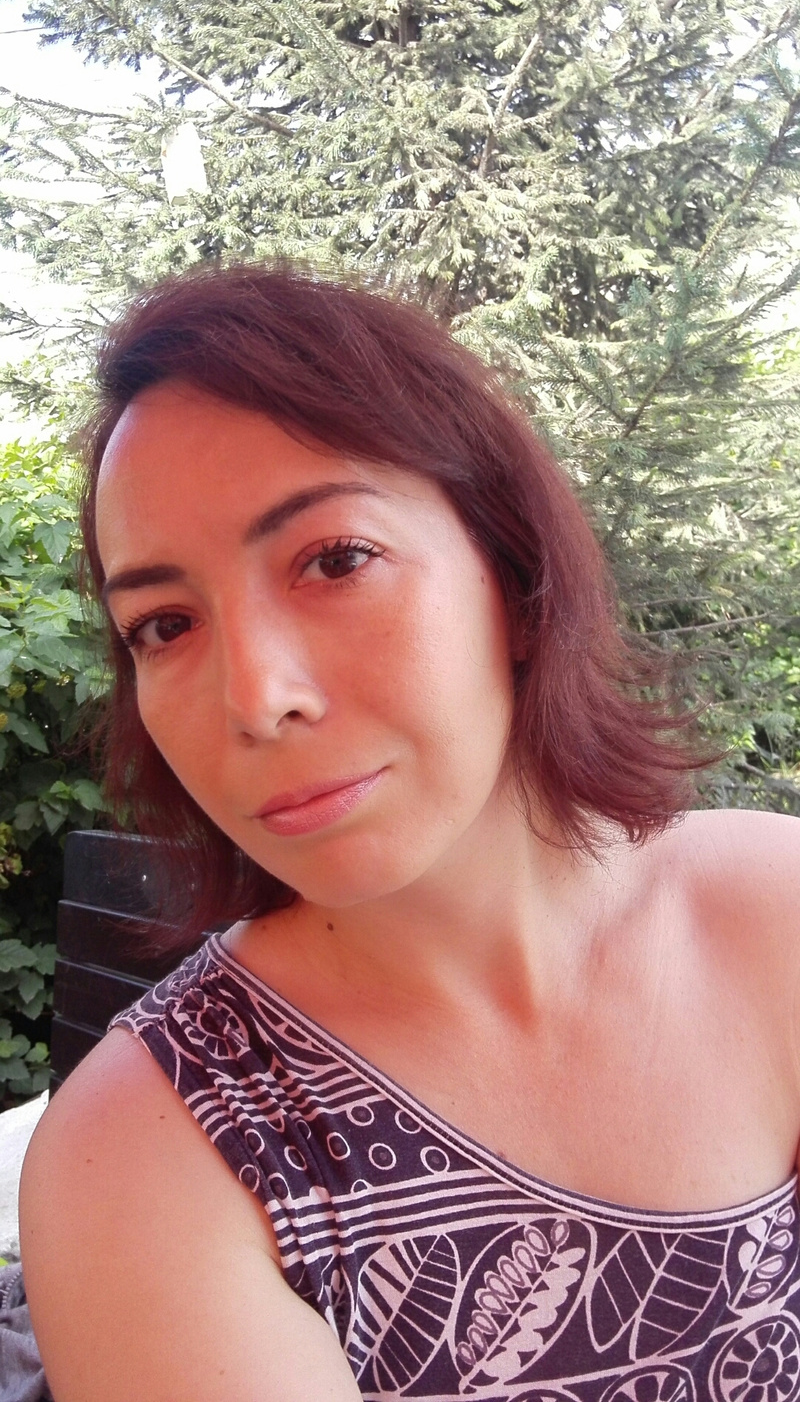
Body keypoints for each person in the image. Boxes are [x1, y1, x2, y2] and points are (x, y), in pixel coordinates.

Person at [18, 262, 800, 1402]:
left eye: (335, 560)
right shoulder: (145, 1154)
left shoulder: (773, 914)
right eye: (166, 624)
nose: (256, 699)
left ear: (511, 573)